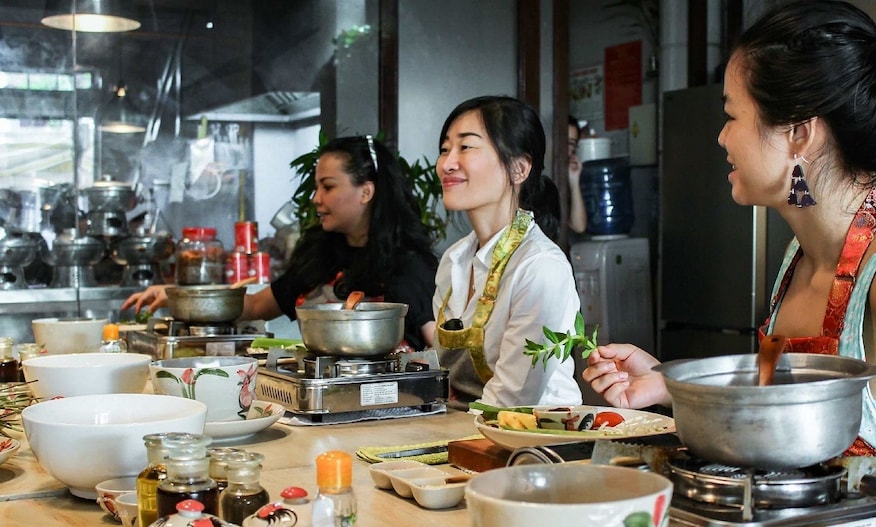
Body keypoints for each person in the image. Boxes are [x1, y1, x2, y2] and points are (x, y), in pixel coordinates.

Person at [583, 0, 876, 448]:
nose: (722, 137)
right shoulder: (799, 258)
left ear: (799, 133)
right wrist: (670, 385)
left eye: (731, 116)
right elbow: (777, 414)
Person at [122, 135, 439, 351]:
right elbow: (257, 305)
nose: (316, 199)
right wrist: (178, 297)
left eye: (328, 187)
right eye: (317, 187)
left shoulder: (410, 265)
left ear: (366, 192)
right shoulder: (322, 255)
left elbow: (435, 349)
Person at [434, 95, 582, 408]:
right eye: (445, 149)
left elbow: (512, 400)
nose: (447, 163)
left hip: (532, 443)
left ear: (518, 169)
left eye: (466, 147)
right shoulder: (454, 260)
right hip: (461, 433)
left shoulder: (540, 266)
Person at [566, 115, 588, 234]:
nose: (565, 148)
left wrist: (574, 180)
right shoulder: (525, 173)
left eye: (570, 144)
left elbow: (579, 226)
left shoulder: (563, 181)